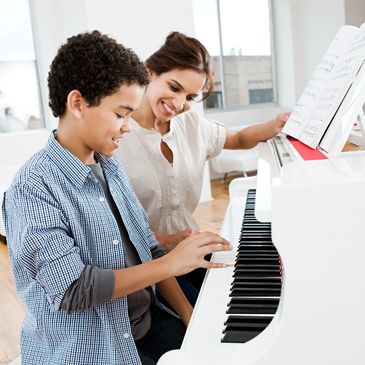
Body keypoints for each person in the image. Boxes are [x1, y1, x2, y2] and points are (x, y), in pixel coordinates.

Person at [2, 31, 231, 365]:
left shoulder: (110, 166)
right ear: (78, 103)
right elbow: (75, 289)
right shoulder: (33, 189)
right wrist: (170, 262)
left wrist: (189, 318)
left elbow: (149, 251)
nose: (128, 127)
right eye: (121, 113)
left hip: (145, 325)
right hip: (94, 350)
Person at [115, 31, 290, 301]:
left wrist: (275, 125)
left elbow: (240, 138)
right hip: (141, 263)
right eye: (174, 88)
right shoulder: (117, 134)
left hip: (189, 250)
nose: (179, 104)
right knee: (199, 316)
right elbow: (110, 219)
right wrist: (162, 239)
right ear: (150, 73)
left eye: (189, 97)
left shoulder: (192, 125)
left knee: (241, 292)